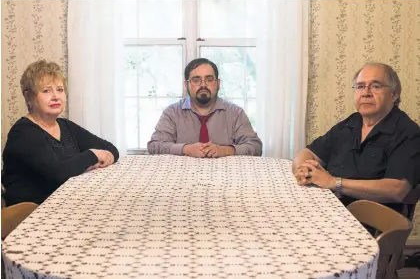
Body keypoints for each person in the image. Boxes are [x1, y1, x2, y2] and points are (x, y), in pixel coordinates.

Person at [292, 62, 420, 213]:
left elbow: (397, 189)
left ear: (394, 94)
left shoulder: (409, 133)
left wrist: (334, 183)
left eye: (376, 86)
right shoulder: (351, 122)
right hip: (328, 209)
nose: (366, 92)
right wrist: (303, 170)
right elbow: (309, 153)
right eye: (360, 86)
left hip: (367, 222)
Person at [2, 60, 119, 205]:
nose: (56, 96)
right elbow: (59, 173)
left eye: (60, 90)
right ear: (29, 97)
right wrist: (93, 155)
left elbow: (111, 149)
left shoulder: (65, 126)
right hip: (30, 212)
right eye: (46, 91)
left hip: (67, 203)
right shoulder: (23, 133)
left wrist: (91, 160)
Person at [148, 58, 262, 158]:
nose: (203, 85)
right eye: (196, 80)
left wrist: (226, 150)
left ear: (218, 83)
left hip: (225, 176)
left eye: (209, 79)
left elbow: (255, 147)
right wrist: (185, 149)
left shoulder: (235, 113)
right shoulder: (172, 113)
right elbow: (154, 146)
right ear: (186, 85)